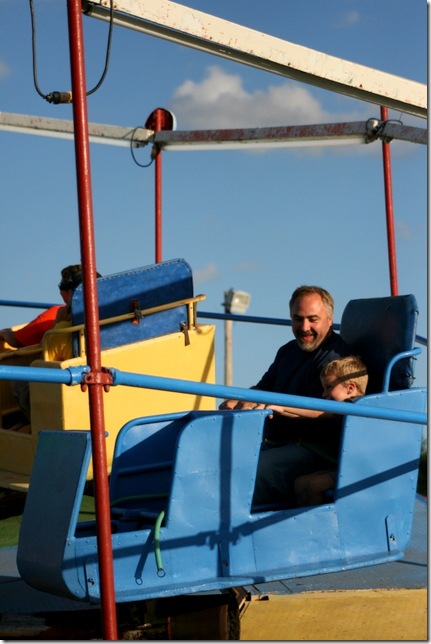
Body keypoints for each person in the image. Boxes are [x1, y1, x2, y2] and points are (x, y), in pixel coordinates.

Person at [219, 285, 352, 507]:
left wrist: (279, 405)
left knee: (249, 473)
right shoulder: (288, 351)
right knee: (218, 459)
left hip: (313, 449)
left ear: (329, 320)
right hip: (279, 442)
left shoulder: (337, 360)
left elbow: (331, 410)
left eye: (312, 319)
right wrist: (241, 399)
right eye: (298, 319)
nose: (304, 327)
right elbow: (263, 387)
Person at [294, 355, 368, 507]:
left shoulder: (355, 405)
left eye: (328, 387)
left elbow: (318, 412)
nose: (324, 394)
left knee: (315, 485)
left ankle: (316, 522)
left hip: (360, 470)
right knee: (300, 483)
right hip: (342, 465)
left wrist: (281, 405)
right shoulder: (345, 406)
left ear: (350, 388)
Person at [0, 265, 84, 349]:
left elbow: (16, 341)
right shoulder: (90, 314)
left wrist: (5, 333)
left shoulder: (57, 313)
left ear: (65, 290)